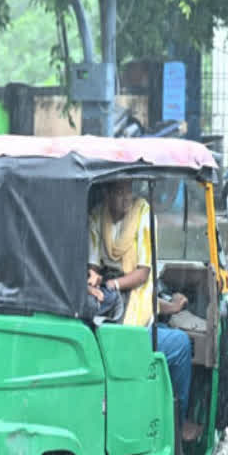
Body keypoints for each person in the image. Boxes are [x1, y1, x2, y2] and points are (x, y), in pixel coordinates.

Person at [88, 180, 199, 441]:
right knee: (182, 344)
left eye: (128, 190)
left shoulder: (142, 213)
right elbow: (93, 264)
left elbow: (143, 274)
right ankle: (179, 424)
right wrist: (95, 279)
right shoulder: (97, 216)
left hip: (123, 299)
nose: (125, 198)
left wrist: (107, 282)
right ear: (106, 193)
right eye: (118, 191)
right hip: (118, 308)